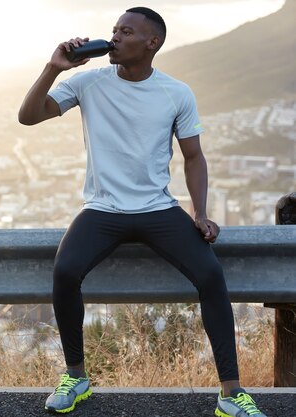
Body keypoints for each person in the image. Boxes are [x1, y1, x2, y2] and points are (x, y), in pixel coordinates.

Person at [18, 6, 267, 417]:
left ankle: (230, 394)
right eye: (114, 29)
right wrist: (53, 67)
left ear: (151, 43)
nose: (114, 36)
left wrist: (199, 212)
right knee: (65, 271)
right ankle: (76, 376)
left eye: (126, 31)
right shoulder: (87, 82)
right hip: (102, 209)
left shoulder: (176, 93)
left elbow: (194, 157)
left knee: (210, 275)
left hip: (158, 209)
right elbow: (28, 117)